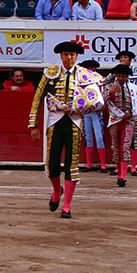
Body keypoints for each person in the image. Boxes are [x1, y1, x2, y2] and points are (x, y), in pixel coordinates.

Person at [29, 41, 104, 219]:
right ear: (61, 56)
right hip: (55, 121)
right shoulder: (51, 73)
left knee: (72, 163)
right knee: (52, 164)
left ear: (76, 56)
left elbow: (97, 101)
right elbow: (37, 97)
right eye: (65, 55)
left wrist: (79, 107)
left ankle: (67, 206)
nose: (69, 58)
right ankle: (57, 190)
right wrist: (33, 125)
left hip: (75, 122)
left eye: (72, 54)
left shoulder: (86, 75)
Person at [105, 64, 137, 187]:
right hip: (115, 120)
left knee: (125, 147)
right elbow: (100, 103)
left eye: (123, 76)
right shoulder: (109, 88)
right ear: (116, 76)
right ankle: (119, 174)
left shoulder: (134, 88)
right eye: (119, 76)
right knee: (116, 147)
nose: (121, 78)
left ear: (127, 76)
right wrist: (108, 93)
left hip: (128, 120)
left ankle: (122, 176)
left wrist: (131, 114)